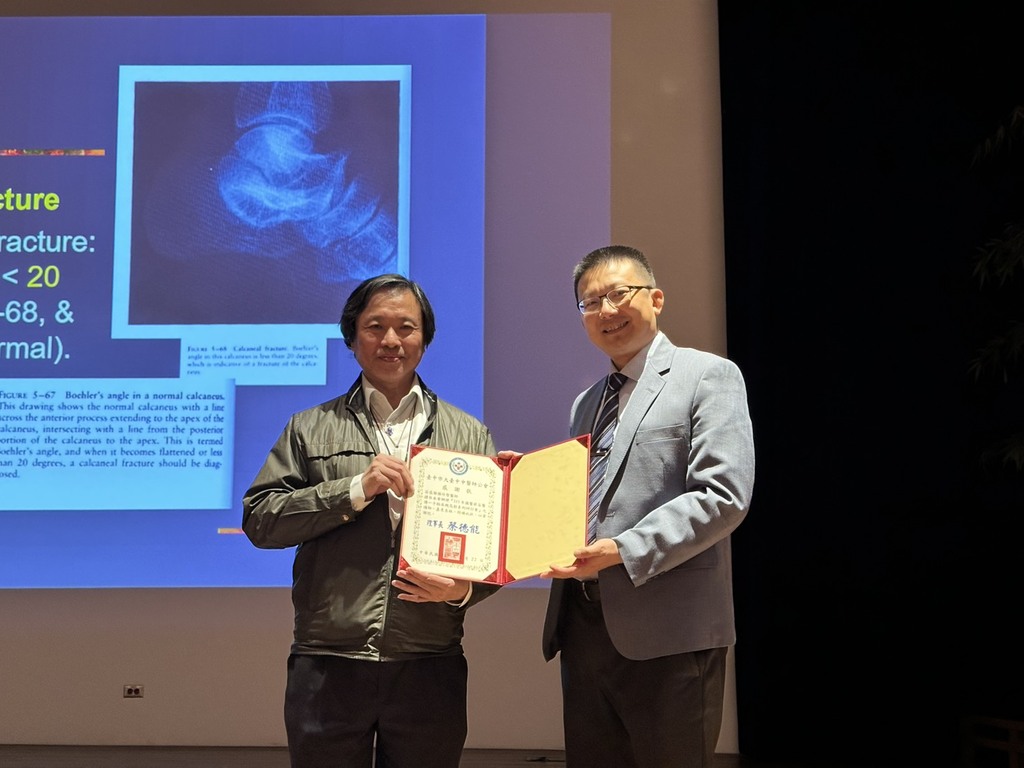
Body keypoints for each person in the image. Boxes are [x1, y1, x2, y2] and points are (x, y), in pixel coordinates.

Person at [242, 274, 498, 768]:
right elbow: (261, 520)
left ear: (425, 338)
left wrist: (462, 592)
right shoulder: (309, 427)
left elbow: (494, 550)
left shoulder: (469, 434)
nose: (391, 340)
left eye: (407, 327)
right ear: (352, 337)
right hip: (328, 657)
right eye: (375, 326)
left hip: (430, 658)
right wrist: (354, 489)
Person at [540, 244, 755, 768]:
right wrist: (522, 487)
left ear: (655, 299)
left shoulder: (708, 375)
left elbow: (723, 495)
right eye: (590, 302)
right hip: (584, 630)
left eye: (618, 294)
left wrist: (623, 550)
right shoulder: (586, 403)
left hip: (670, 632)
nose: (606, 310)